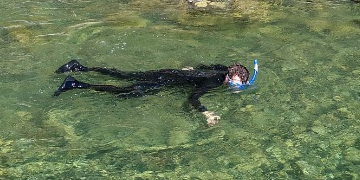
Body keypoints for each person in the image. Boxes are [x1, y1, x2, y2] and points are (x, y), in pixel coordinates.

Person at [53, 59, 256, 126]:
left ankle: (80, 67)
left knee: (125, 75)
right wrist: (206, 112)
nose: (236, 88)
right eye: (236, 84)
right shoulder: (215, 82)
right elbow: (193, 96)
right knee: (127, 91)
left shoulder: (222, 69)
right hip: (165, 80)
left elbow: (206, 65)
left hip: (169, 73)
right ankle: (76, 84)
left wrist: (190, 69)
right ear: (230, 77)